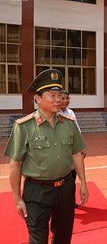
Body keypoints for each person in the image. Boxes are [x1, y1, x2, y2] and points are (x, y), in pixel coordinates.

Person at [4, 68, 88, 244]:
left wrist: (83, 183)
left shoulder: (69, 124)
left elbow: (76, 154)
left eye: (60, 95)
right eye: (52, 95)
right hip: (37, 192)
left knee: (63, 237)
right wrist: (16, 197)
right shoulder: (24, 127)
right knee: (37, 239)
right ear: (38, 98)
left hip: (65, 189)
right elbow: (15, 164)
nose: (58, 100)